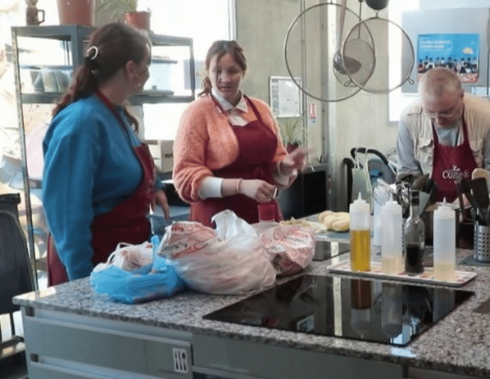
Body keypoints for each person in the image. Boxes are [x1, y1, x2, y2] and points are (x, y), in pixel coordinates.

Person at [42, 23, 169, 286]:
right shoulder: (81, 124)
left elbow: (125, 163)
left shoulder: (117, 114)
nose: (147, 74)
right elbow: (67, 217)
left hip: (122, 259)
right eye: (146, 66)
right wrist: (82, 283)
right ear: (131, 70)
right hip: (92, 264)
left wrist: (152, 186)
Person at [173, 40, 307, 226]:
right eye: (217, 71)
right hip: (217, 224)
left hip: (263, 217)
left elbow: (272, 171)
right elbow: (185, 179)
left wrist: (285, 167)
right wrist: (240, 186)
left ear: (243, 72)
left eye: (232, 71)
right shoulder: (197, 113)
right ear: (207, 73)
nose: (225, 79)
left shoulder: (262, 110)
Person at [396, 67, 490, 203]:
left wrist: (469, 200)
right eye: (430, 113)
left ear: (461, 96)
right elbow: (408, 175)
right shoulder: (410, 118)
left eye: (446, 112)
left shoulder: (487, 117)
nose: (438, 120)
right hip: (430, 211)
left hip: (478, 215)